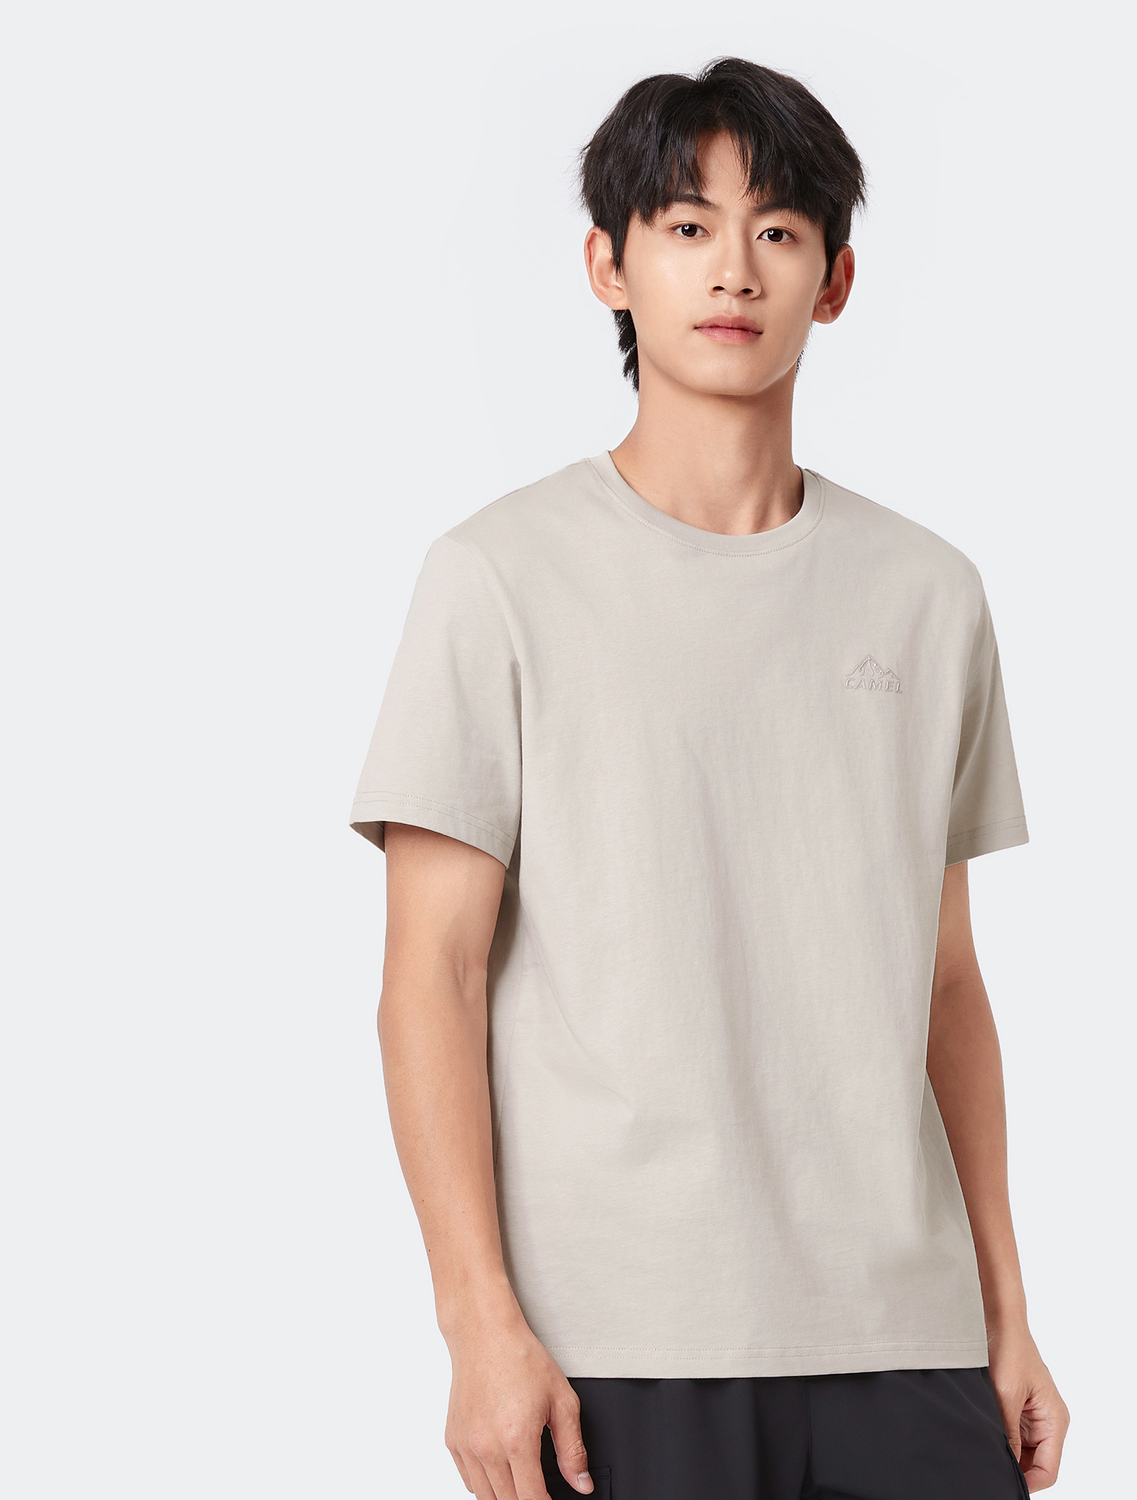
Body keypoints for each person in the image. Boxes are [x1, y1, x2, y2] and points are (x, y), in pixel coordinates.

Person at [349, 56, 1070, 1500]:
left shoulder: (928, 594)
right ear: (608, 267)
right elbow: (431, 973)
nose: (734, 268)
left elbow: (946, 985)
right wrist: (477, 1324)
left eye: (778, 230)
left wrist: (1007, 1315)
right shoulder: (497, 578)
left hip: (903, 1336)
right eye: (686, 226)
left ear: (835, 280)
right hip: (615, 1344)